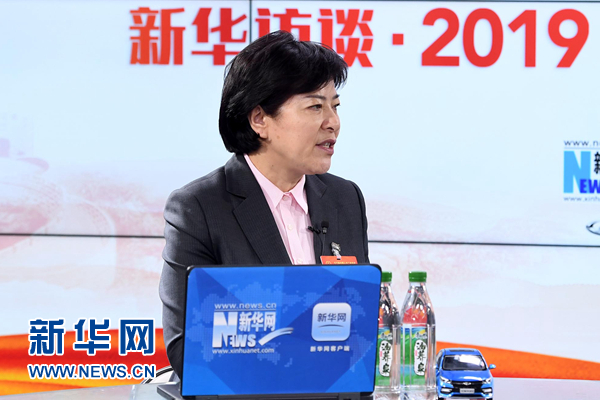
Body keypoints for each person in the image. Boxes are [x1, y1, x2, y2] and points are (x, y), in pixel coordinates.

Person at [159, 30, 369, 378]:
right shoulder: (198, 208)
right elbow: (187, 350)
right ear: (259, 120)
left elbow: (359, 327)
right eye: (315, 106)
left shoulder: (345, 198)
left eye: (335, 106)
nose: (332, 122)